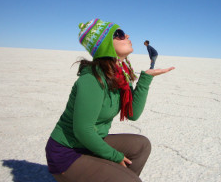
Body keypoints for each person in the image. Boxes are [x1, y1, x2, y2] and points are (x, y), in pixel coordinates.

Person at [45, 18, 174, 182]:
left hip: (90, 143)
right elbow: (83, 130)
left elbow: (133, 114)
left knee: (141, 146)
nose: (126, 35)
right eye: (119, 34)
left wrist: (145, 80)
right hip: (68, 152)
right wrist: (114, 156)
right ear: (104, 44)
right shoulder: (93, 78)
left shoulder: (120, 74)